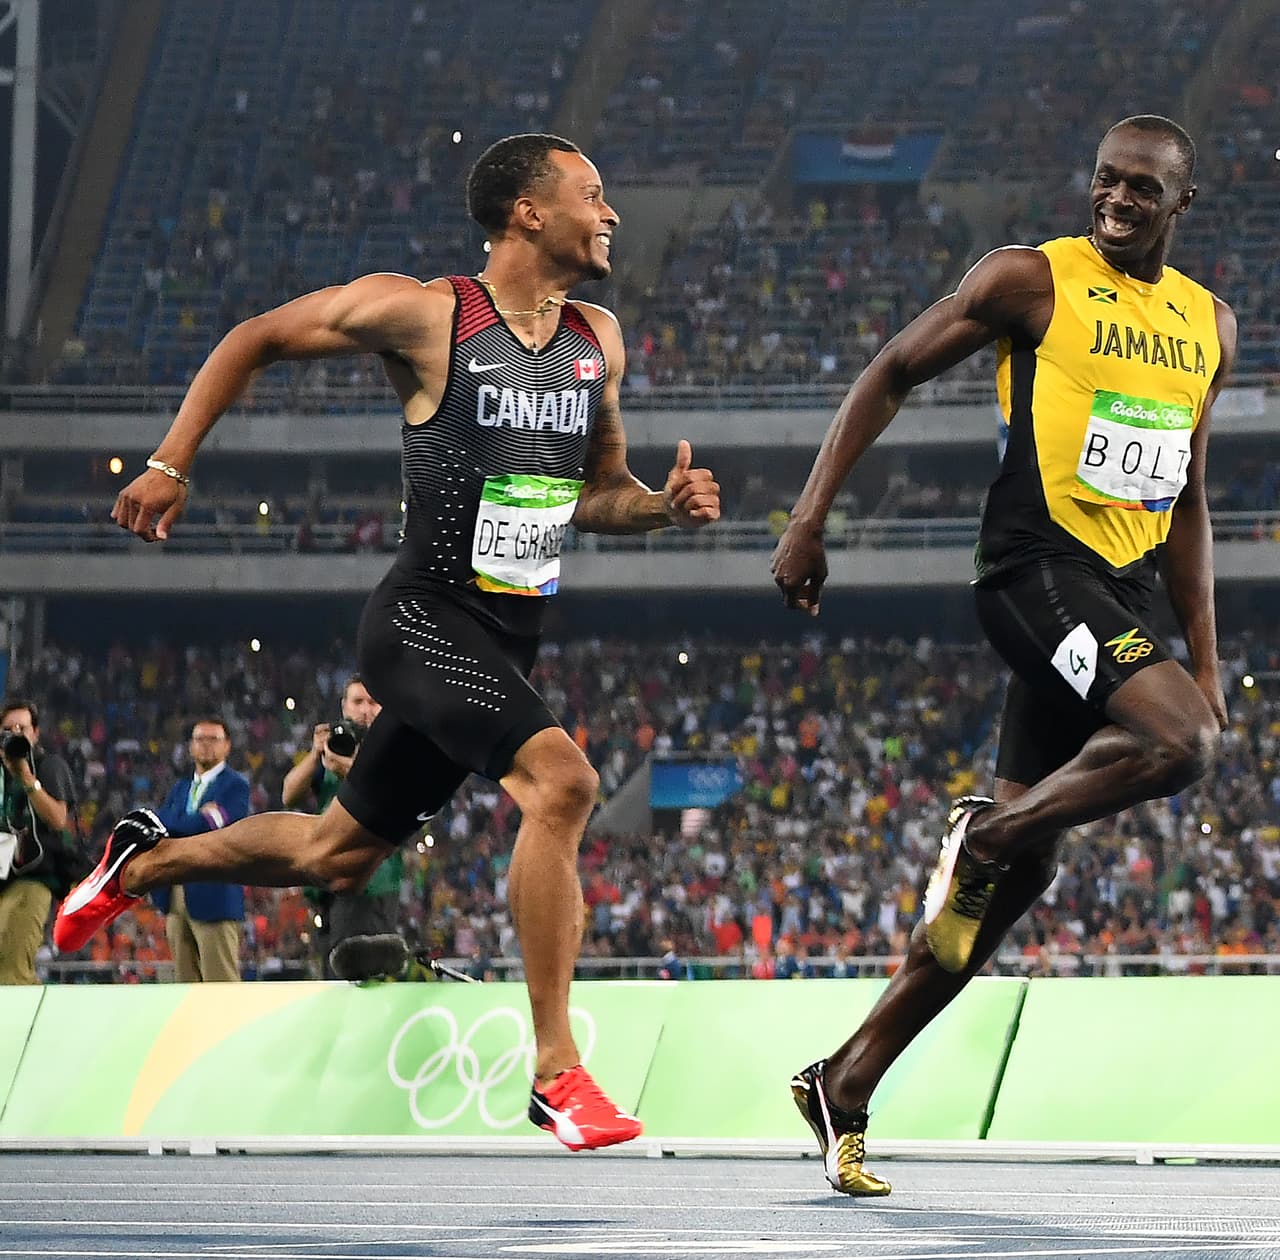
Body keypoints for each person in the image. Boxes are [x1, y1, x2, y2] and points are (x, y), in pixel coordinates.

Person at [55, 132, 720, 1150]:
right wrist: (171, 462)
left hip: (508, 636)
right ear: (526, 212)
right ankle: (555, 1072)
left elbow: (597, 496)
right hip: (421, 620)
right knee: (566, 785)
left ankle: (140, 865)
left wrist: (661, 509)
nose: (612, 213)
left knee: (334, 853)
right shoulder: (428, 314)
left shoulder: (598, 339)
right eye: (593, 194)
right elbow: (254, 336)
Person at [771, 116, 1234, 1196]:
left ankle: (845, 1076)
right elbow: (890, 369)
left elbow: (1190, 501)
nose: (1115, 202)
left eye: (1141, 191)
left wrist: (1205, 658)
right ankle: (986, 835)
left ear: (1181, 204)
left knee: (1011, 887)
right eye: (1104, 182)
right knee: (1186, 745)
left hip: (1114, 592)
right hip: (1032, 574)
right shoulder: (1028, 280)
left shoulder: (1206, 323)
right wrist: (807, 518)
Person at [281, 674, 404, 977]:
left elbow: (389, 800)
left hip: (370, 879)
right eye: (358, 701)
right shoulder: (337, 747)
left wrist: (345, 770)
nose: (365, 709)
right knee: (333, 968)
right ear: (344, 706)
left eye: (373, 702)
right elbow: (289, 795)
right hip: (327, 880)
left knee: (364, 972)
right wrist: (315, 754)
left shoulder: (397, 747)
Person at [152, 717, 252, 982]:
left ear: (227, 746)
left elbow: (212, 827)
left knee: (220, 986)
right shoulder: (180, 787)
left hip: (215, 894)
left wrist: (177, 825)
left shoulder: (235, 786)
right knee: (185, 985)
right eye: (200, 739)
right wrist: (190, 822)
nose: (206, 746)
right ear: (190, 746)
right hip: (176, 894)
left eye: (213, 739)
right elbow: (161, 825)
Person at [0, 699, 78, 984]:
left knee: (13, 964)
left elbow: (58, 819)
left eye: (22, 727)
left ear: (35, 733)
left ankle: (23, 1027)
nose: (15, 734)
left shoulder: (48, 765)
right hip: (3, 874)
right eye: (8, 729)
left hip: (34, 874)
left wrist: (26, 778)